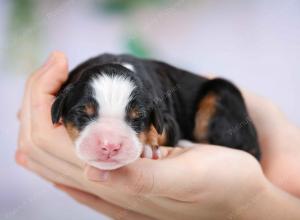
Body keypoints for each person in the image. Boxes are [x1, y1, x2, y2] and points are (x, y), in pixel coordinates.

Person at [16, 51, 300, 220]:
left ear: (150, 116)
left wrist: (252, 203)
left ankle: (242, 153)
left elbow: (169, 127)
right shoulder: (71, 88)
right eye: (84, 116)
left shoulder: (155, 101)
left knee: (219, 94)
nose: (109, 143)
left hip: (215, 104)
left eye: (136, 121)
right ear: (60, 111)